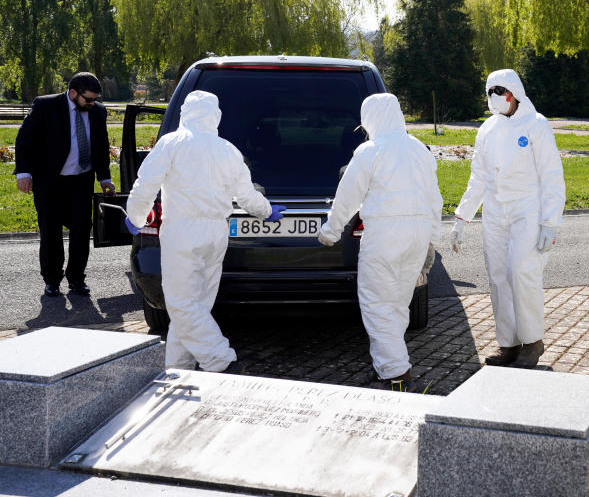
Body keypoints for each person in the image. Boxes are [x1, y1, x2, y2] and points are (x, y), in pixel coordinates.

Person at [125, 91, 284, 373]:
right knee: (196, 305)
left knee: (181, 305)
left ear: (186, 112)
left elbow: (145, 184)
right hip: (216, 232)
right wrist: (267, 211)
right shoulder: (228, 150)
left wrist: (135, 217)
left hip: (182, 230)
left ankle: (218, 356)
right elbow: (246, 196)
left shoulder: (171, 144)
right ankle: (178, 367)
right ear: (216, 115)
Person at [316, 93, 442, 391]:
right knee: (398, 302)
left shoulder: (370, 151)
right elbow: (434, 197)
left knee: (376, 303)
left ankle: (396, 374)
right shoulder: (418, 149)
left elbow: (348, 196)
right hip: (418, 233)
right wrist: (431, 240)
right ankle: (389, 364)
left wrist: (331, 232)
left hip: (385, 234)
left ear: (370, 119)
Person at [449, 69, 565, 369]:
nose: (493, 98)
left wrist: (550, 221)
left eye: (497, 91)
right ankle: (509, 343)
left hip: (528, 209)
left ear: (513, 92)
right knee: (499, 276)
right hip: (496, 211)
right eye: (489, 92)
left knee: (520, 273)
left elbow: (552, 175)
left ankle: (533, 342)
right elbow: (479, 177)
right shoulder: (487, 129)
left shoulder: (536, 125)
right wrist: (462, 217)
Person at [14, 72, 115, 297]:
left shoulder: (97, 112)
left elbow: (101, 145)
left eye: (95, 99)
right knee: (51, 232)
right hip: (50, 181)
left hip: (81, 181)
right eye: (88, 99)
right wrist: (23, 172)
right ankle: (52, 280)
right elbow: (24, 140)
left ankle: (77, 279)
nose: (92, 103)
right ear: (72, 93)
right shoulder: (45, 106)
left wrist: (105, 178)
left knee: (82, 229)